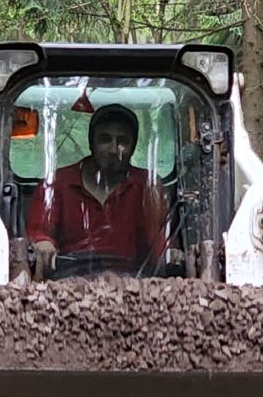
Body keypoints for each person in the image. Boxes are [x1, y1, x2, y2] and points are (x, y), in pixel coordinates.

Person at [26, 104, 169, 276]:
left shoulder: (147, 186)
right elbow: (38, 231)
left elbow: (161, 241)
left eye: (122, 141)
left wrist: (169, 256)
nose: (113, 149)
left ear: (133, 147)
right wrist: (43, 243)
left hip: (134, 285)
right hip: (66, 283)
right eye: (105, 139)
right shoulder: (58, 183)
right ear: (91, 142)